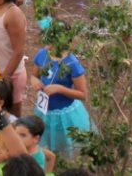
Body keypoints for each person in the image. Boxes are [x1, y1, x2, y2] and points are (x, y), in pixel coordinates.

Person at [30, 18, 93, 160]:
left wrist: (60, 89)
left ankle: (61, 164)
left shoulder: (72, 64)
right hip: (44, 110)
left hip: (65, 114)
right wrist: (34, 81)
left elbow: (83, 94)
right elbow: (34, 75)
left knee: (64, 144)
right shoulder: (42, 54)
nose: (47, 44)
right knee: (47, 141)